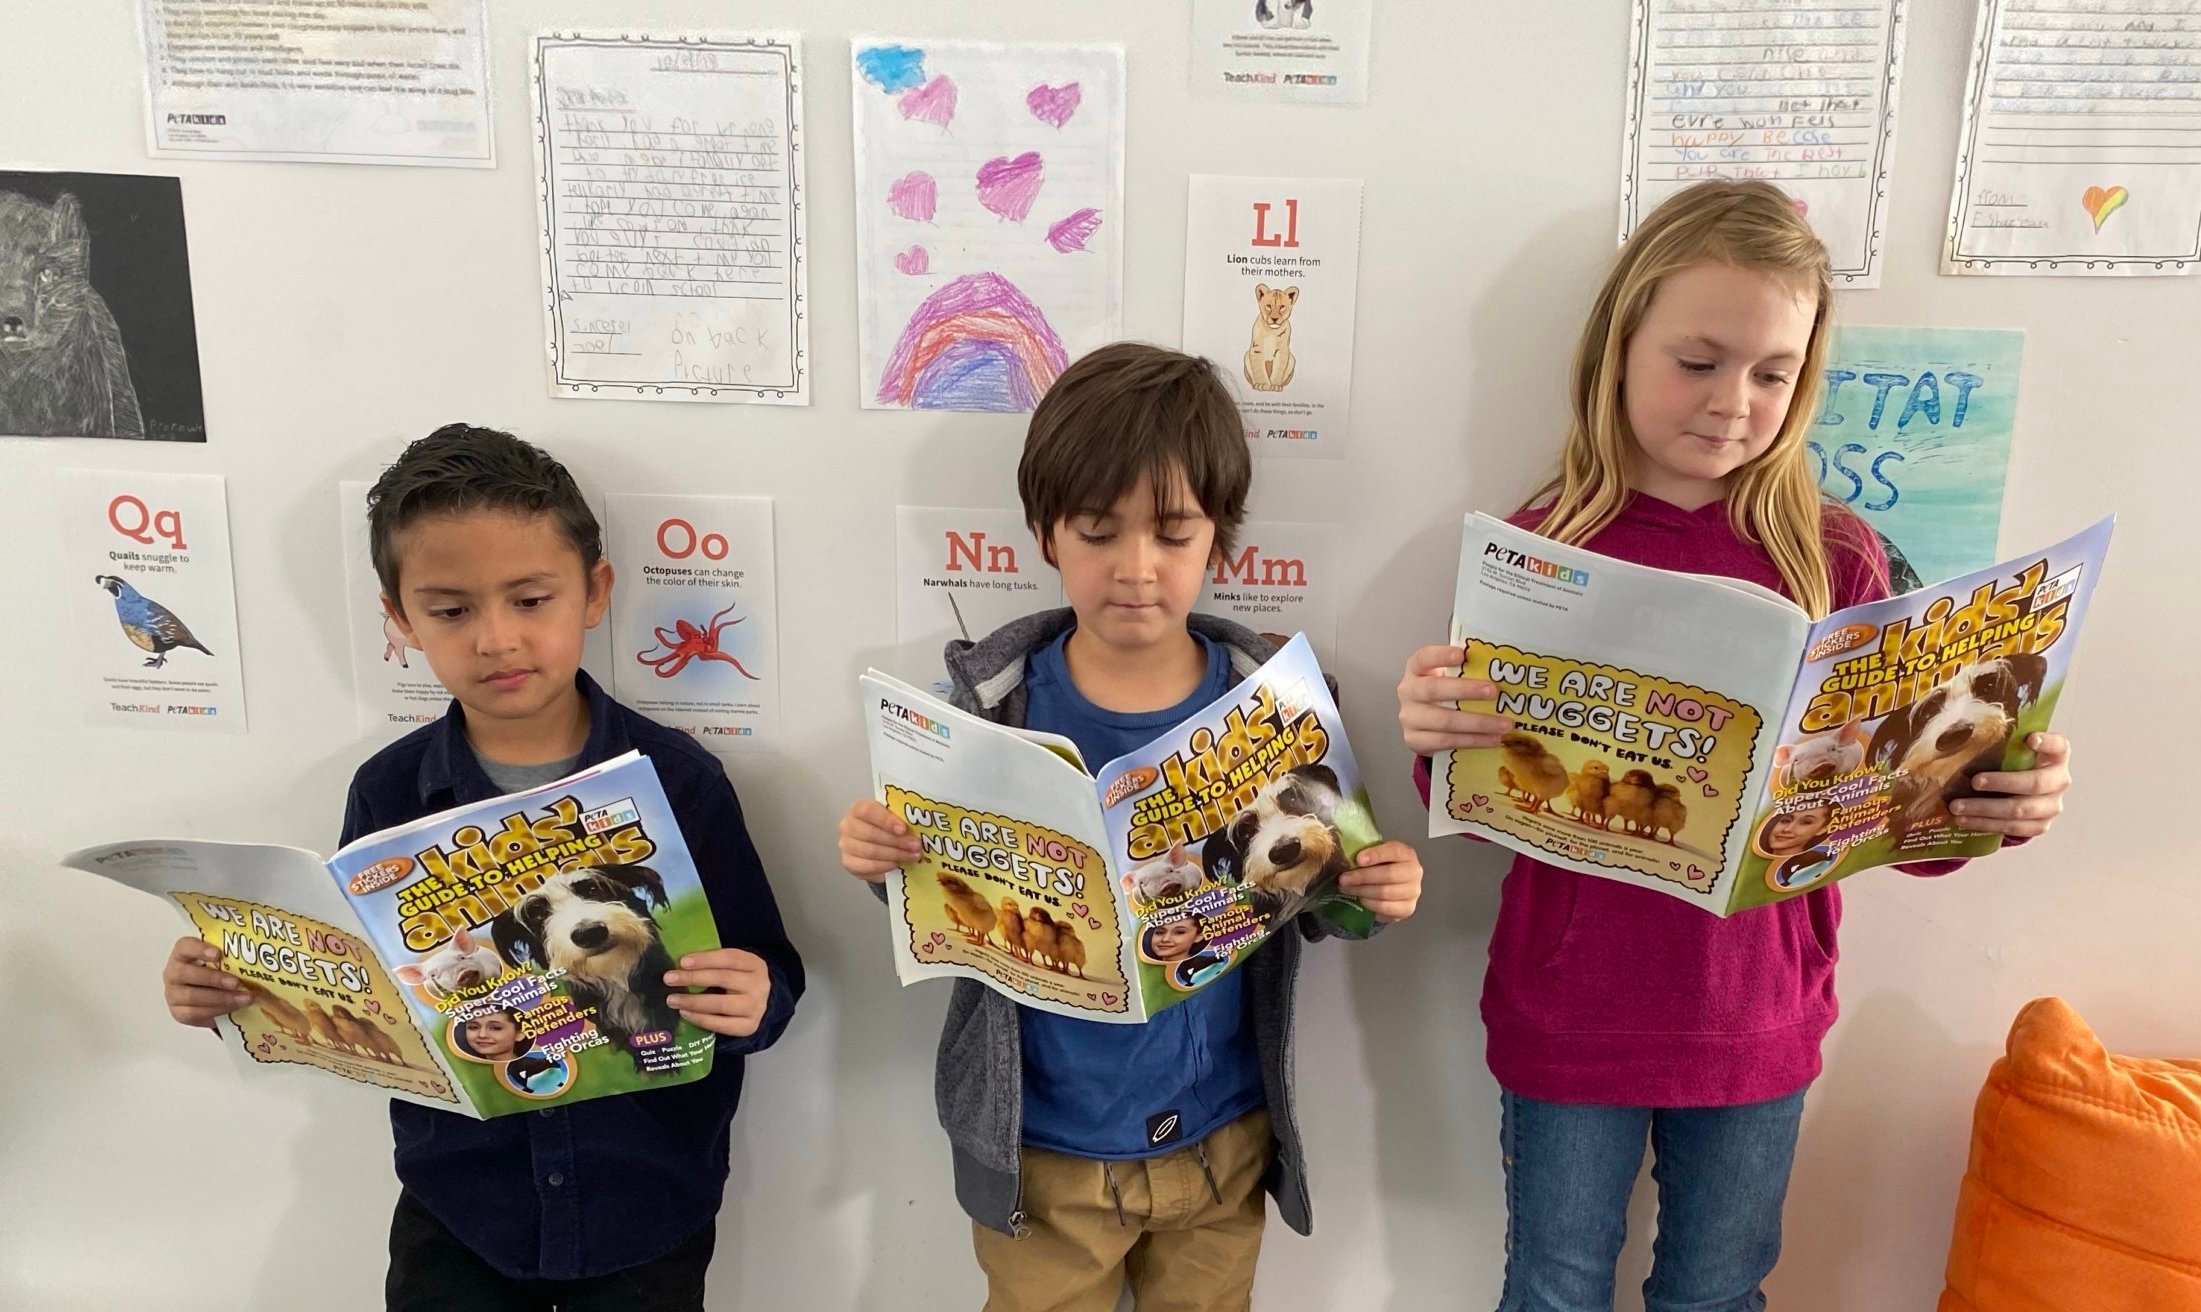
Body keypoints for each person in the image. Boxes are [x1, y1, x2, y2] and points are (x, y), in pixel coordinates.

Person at [1394, 182, 2077, 1311]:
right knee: (1552, 1287)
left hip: (1753, 1018)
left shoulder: (1839, 559)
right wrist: (1434, 734)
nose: (1732, 403)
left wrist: (1990, 797)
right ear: (1617, 350)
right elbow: (1474, 793)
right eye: (1698, 360)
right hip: (1571, 1012)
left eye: (1771, 373)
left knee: (1716, 1291)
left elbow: (1897, 832)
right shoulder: (1538, 543)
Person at [161, 423, 805, 1309]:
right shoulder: (390, 791)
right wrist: (238, 987)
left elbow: (770, 969)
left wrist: (757, 998)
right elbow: (361, 989)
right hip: (460, 1205)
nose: (497, 639)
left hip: (645, 1198)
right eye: (452, 610)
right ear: (400, 619)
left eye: (531, 599)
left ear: (593, 592)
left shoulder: (678, 782)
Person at [838, 344, 1426, 1312]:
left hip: (1221, 1137)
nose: (1135, 569)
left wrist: (1377, 889)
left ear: (1220, 540)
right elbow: (933, 898)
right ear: (1043, 533)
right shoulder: (991, 707)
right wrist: (878, 858)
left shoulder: (1268, 703)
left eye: (1172, 532)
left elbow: (1321, 906)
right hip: (1043, 1146)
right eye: (1097, 531)